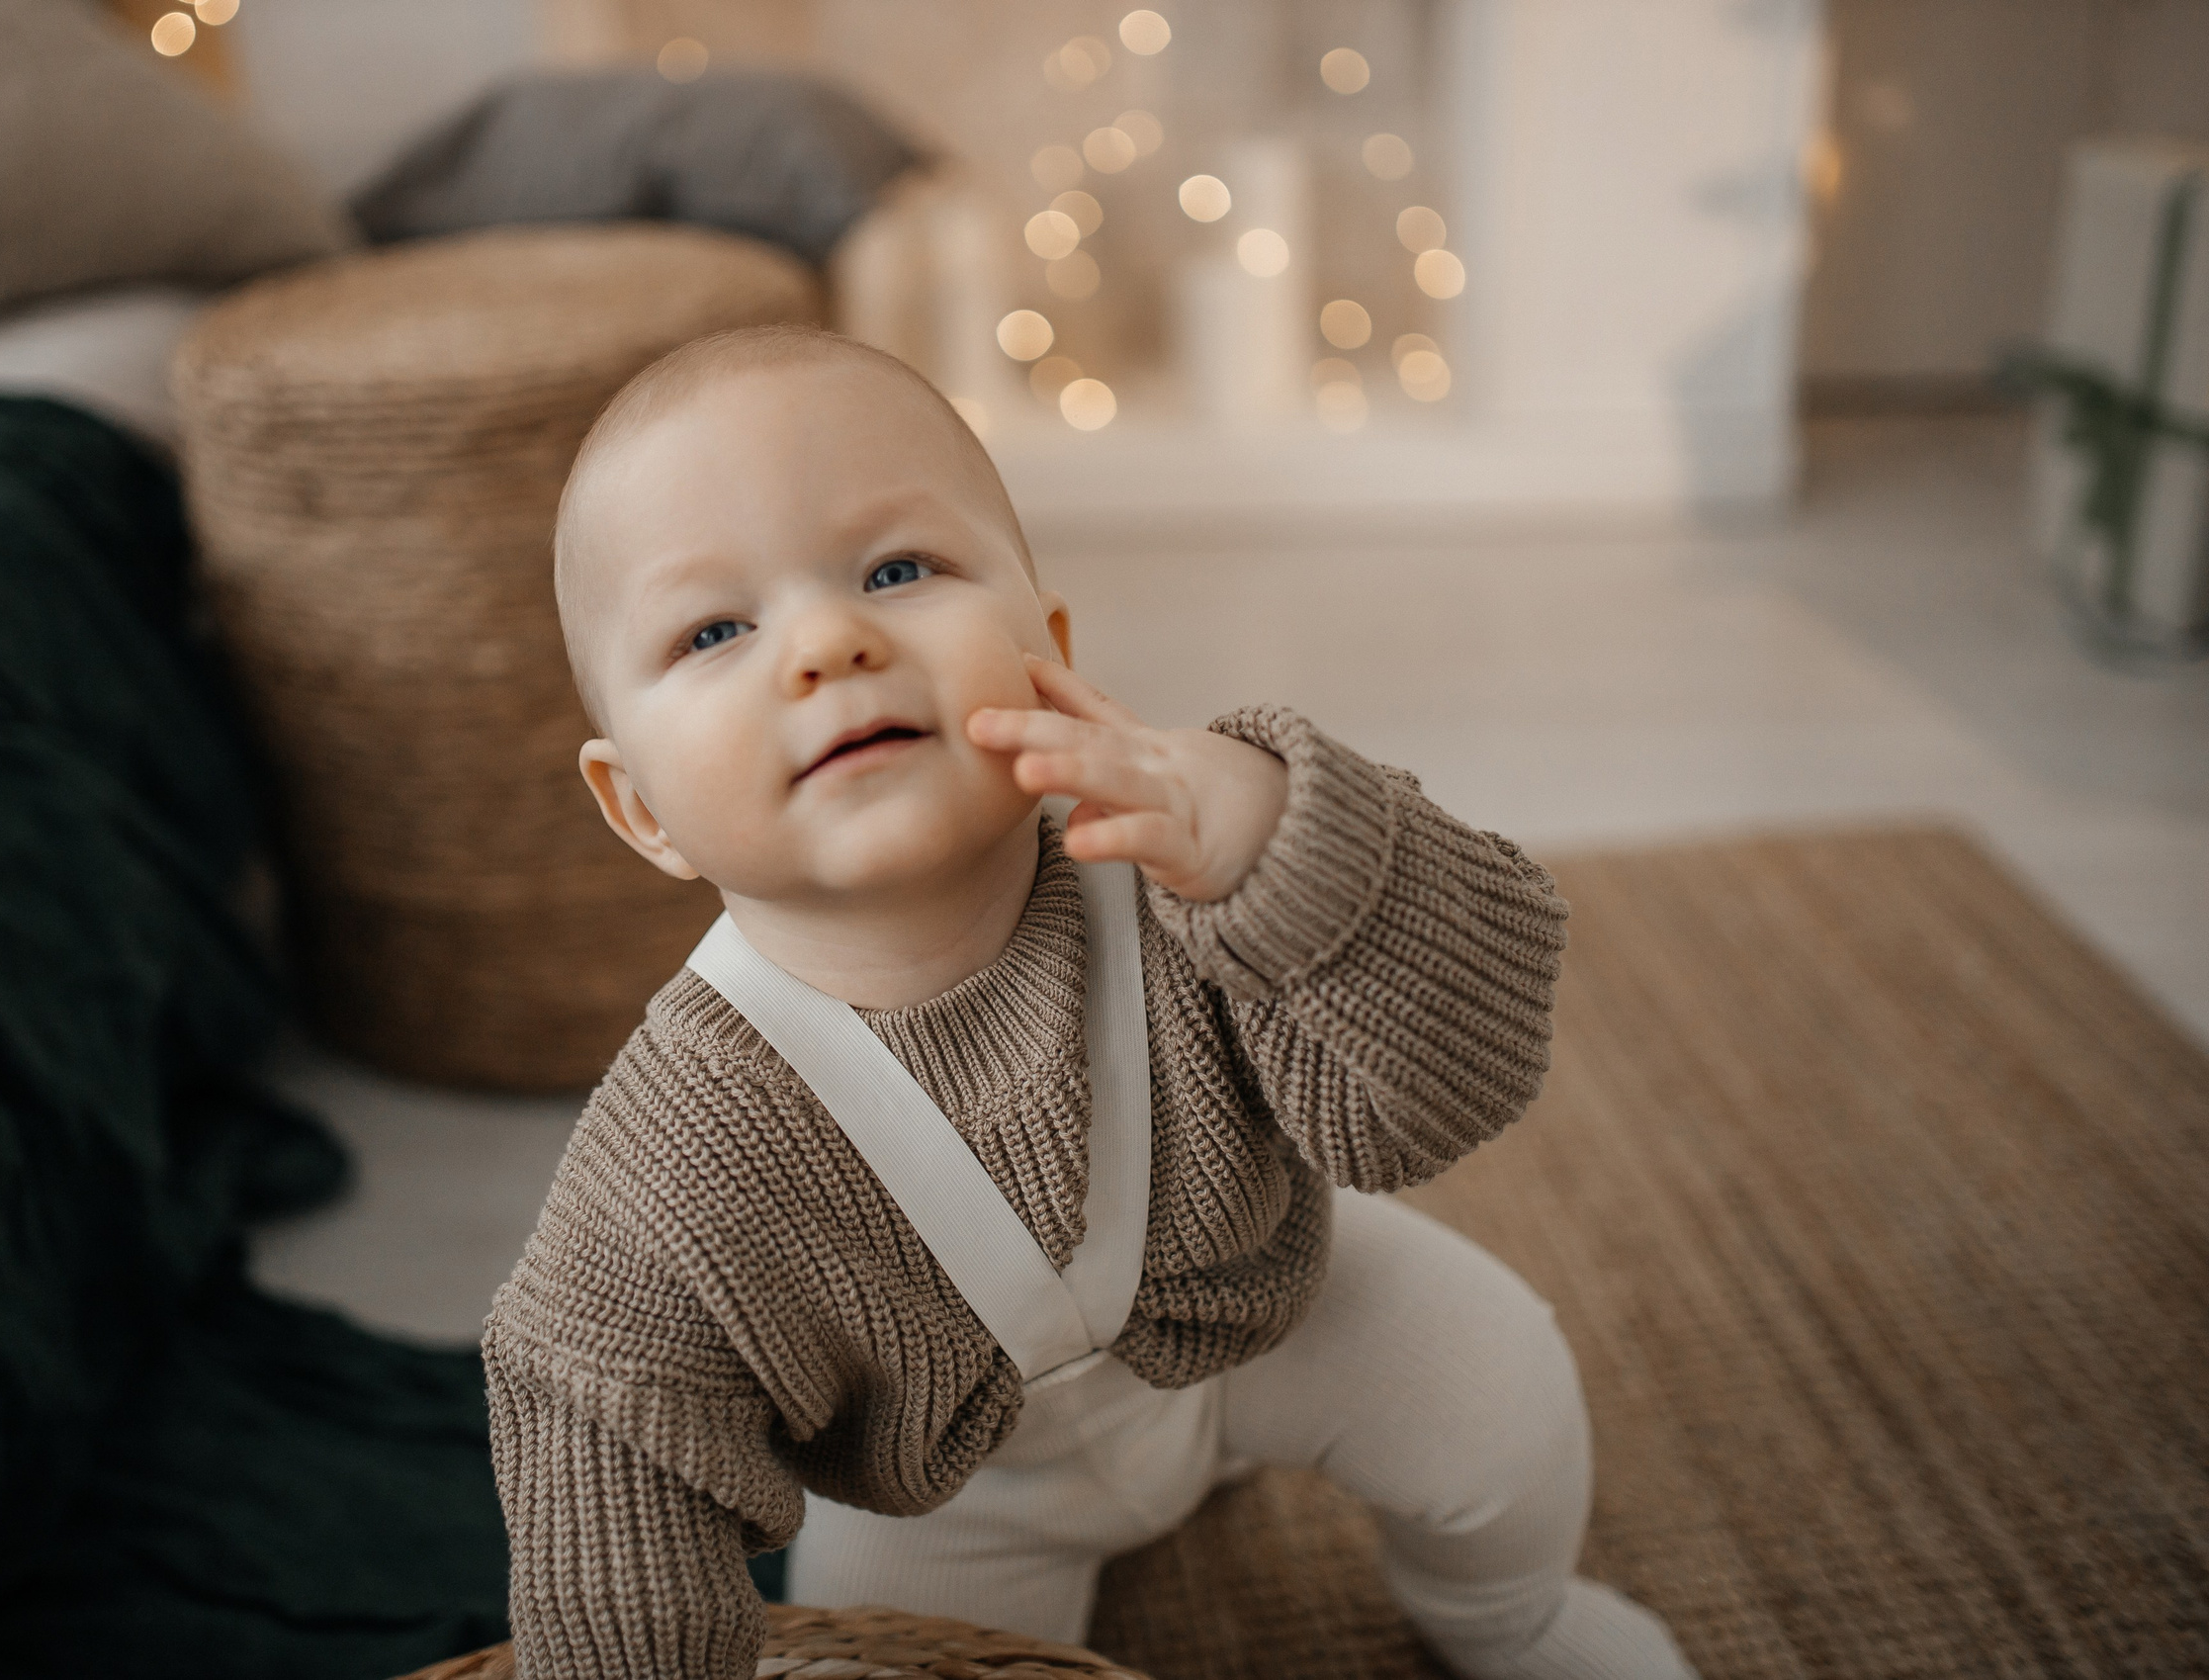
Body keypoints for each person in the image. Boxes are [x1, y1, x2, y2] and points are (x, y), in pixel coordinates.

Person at [485, 323, 1695, 1680]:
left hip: (1263, 1318)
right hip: (962, 1492)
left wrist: (1285, 848)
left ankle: (1513, 1620)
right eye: (714, 628)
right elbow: (597, 1426)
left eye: (897, 568)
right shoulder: (684, 1154)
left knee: (1497, 1379)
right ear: (639, 806)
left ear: (1047, 644)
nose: (828, 640)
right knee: (894, 1662)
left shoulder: (1189, 866)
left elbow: (1462, 1075)